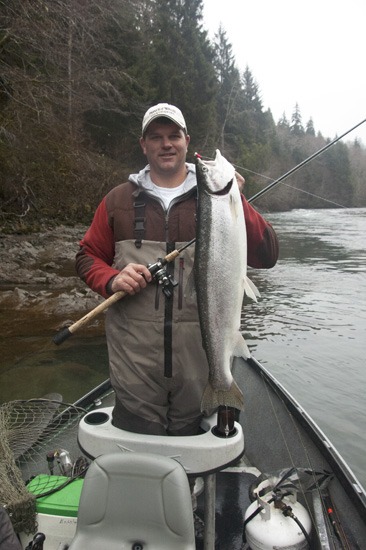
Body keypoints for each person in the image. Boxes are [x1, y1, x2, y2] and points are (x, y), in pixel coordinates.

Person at [76, 102, 279, 437]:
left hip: (198, 370)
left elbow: (267, 254)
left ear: (187, 140)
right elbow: (86, 257)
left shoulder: (216, 196)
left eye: (173, 135)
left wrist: (236, 201)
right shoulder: (118, 201)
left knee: (192, 462)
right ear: (143, 145)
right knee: (138, 456)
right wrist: (112, 279)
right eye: (156, 137)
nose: (166, 143)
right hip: (134, 368)